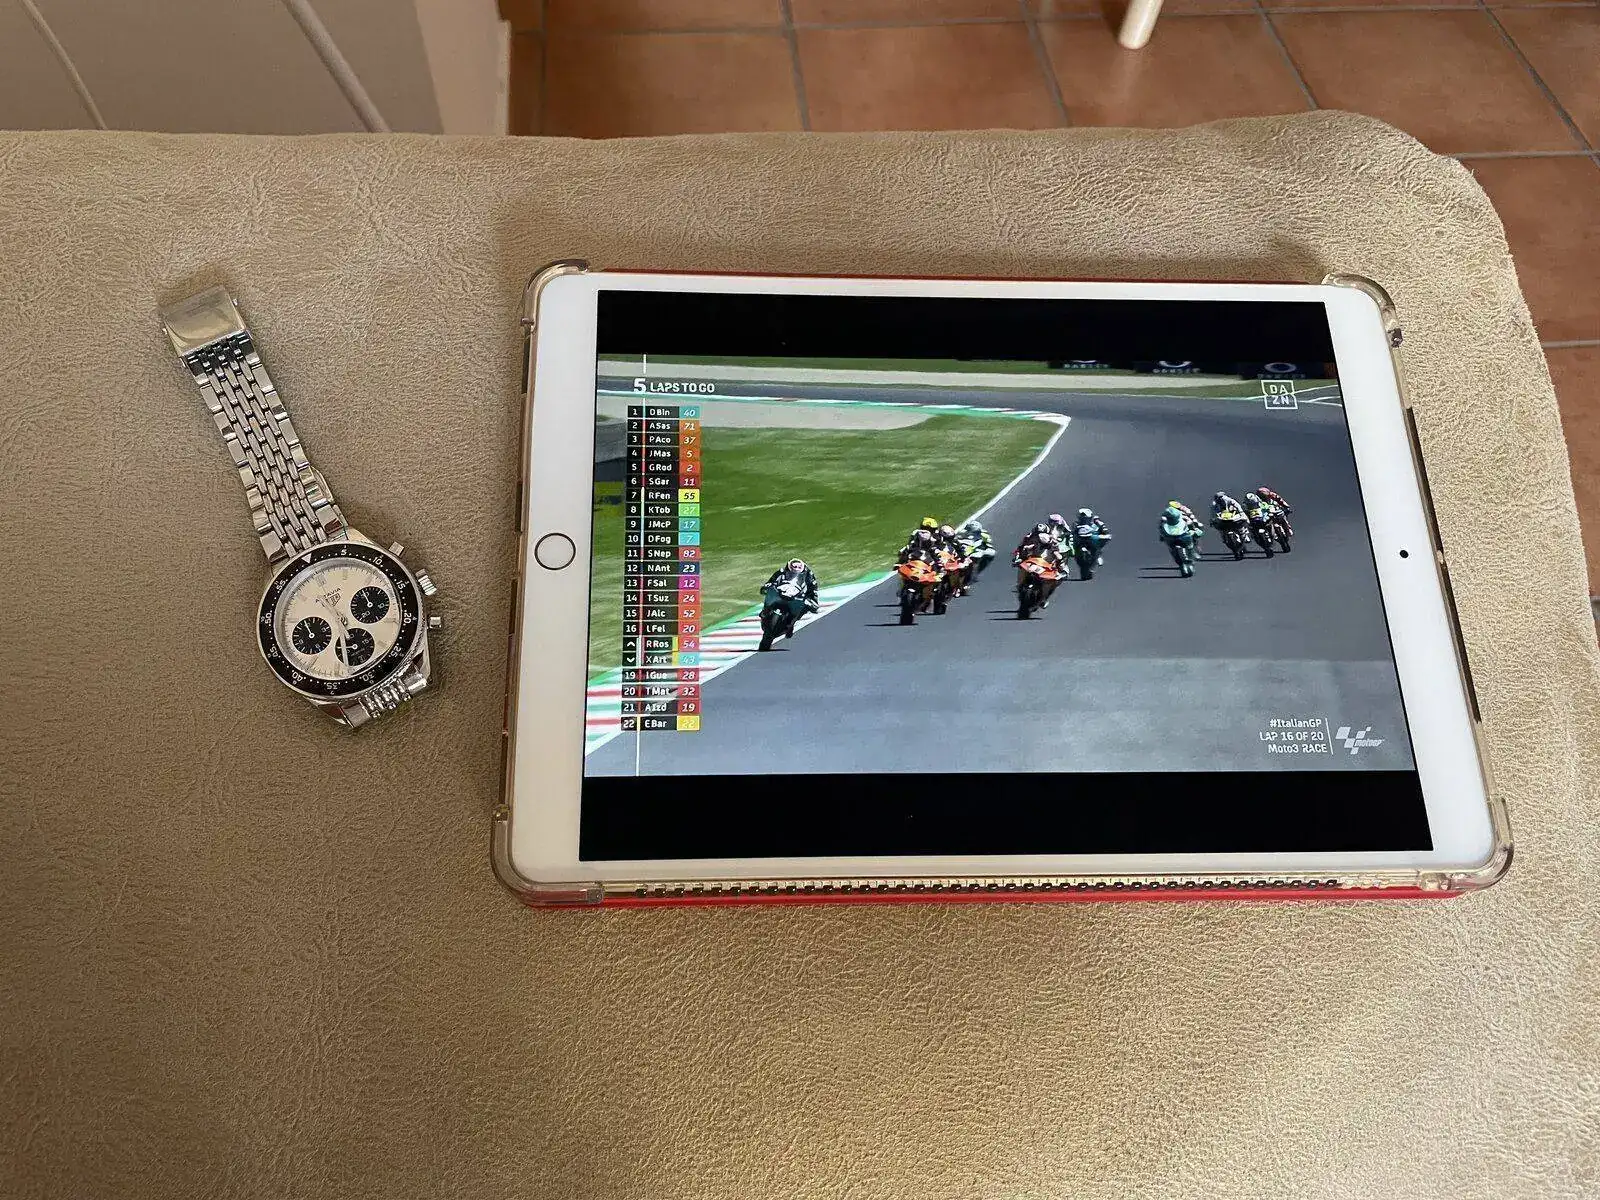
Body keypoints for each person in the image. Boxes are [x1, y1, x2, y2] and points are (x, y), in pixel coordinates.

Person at [761, 557, 820, 632]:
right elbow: (771, 581)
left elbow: (814, 589)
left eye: (798, 567)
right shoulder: (781, 571)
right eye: (795, 567)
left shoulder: (809, 574)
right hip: (782, 591)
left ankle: (792, 621)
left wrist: (812, 601)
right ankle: (766, 610)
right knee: (771, 592)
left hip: (797, 595)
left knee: (806, 606)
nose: (796, 568)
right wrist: (768, 586)